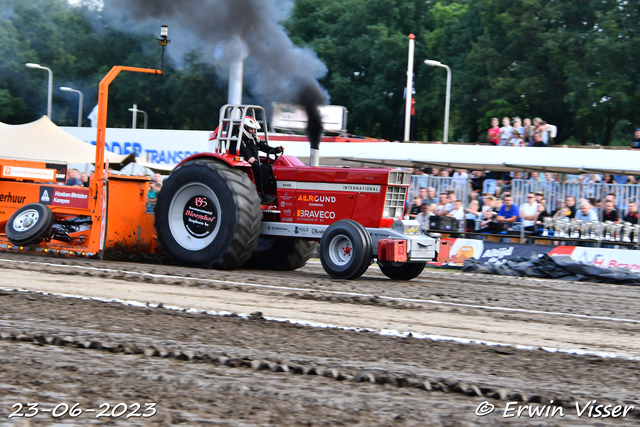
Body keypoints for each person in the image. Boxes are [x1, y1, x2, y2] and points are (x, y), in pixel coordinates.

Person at [238, 116, 283, 205]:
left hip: (255, 164)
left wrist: (277, 150)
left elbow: (265, 148)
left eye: (254, 129)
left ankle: (275, 193)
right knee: (264, 169)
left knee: (271, 168)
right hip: (244, 165)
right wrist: (247, 159)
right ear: (244, 128)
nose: (253, 131)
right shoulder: (236, 140)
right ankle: (263, 195)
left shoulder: (254, 139)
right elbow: (234, 155)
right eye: (251, 129)